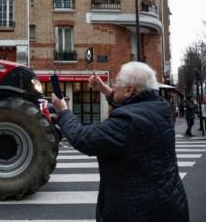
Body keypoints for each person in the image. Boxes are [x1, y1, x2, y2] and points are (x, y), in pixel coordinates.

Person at [52, 61, 189, 222]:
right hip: (170, 201)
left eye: (116, 82)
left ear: (130, 89)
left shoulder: (126, 122)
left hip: (139, 212)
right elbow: (131, 104)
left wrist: (64, 111)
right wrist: (104, 89)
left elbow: (84, 138)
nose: (114, 85)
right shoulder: (161, 107)